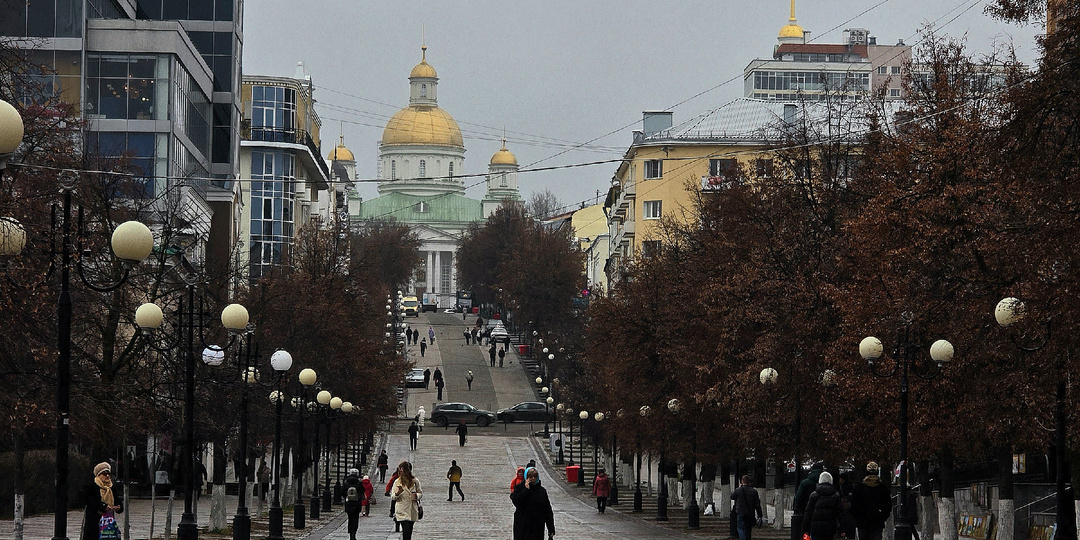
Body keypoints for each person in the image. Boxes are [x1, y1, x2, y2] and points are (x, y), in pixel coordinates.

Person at [511, 467, 555, 540]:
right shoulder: (519, 488)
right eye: (530, 477)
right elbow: (516, 502)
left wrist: (551, 529)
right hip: (522, 526)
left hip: (537, 526)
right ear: (526, 477)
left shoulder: (542, 491)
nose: (533, 478)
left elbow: (547, 510)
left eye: (535, 476)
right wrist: (526, 490)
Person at [82, 462, 123, 540]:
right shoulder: (92, 486)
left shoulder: (112, 487)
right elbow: (90, 502)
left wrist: (118, 507)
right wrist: (103, 506)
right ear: (99, 475)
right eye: (104, 474)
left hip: (109, 521)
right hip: (94, 522)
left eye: (108, 474)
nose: (107, 476)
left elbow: (117, 500)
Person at [851, 462, 891, 540]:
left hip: (862, 523)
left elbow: (853, 506)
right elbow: (888, 506)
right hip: (877, 522)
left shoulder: (859, 488)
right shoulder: (883, 489)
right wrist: (882, 517)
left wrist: (858, 519)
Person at [803, 471, 842, 540]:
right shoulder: (835, 496)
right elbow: (840, 513)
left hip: (816, 528)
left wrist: (806, 529)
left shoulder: (814, 495)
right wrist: (843, 529)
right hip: (830, 528)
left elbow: (808, 513)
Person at [391, 461, 423, 540]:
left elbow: (420, 493)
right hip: (402, 509)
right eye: (400, 469)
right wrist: (397, 493)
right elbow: (393, 497)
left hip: (412, 509)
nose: (400, 471)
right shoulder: (397, 482)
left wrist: (416, 496)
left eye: (402, 469)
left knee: (410, 530)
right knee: (406, 530)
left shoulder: (415, 481)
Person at [794, 462, 825, 540]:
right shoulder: (826, 485)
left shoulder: (805, 483)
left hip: (806, 514)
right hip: (824, 517)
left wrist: (798, 510)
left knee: (806, 535)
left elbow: (798, 498)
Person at [733, 474, 763, 540]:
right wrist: (760, 515)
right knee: (748, 529)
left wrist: (739, 487)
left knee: (740, 528)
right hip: (750, 513)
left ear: (742, 481)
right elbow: (757, 504)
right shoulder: (754, 491)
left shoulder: (738, 490)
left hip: (740, 512)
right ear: (749, 482)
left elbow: (732, 497)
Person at [343, 469, 363, 540]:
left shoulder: (346, 482)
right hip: (356, 503)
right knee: (355, 518)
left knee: (350, 518)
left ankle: (350, 532)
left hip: (349, 503)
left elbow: (342, 492)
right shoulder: (359, 483)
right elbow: (362, 491)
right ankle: (354, 533)